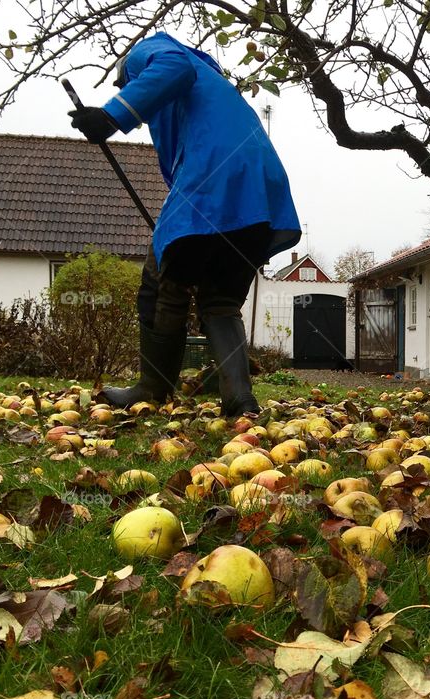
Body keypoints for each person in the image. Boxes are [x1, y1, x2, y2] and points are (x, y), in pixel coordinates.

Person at [68, 32, 300, 416]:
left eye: (128, 84)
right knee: (222, 299)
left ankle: (152, 388)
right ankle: (240, 401)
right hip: (261, 185)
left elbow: (172, 70)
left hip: (212, 177)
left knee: (161, 284)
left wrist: (111, 115)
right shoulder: (215, 87)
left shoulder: (155, 51)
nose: (132, 87)